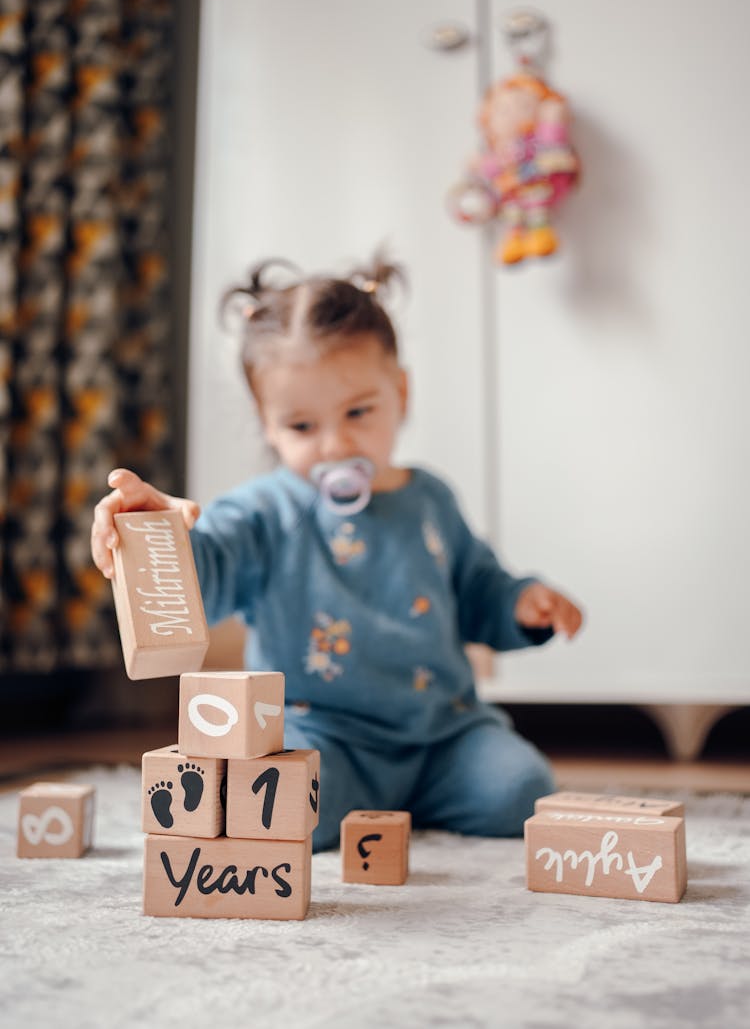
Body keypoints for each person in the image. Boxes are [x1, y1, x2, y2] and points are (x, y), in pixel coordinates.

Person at [91, 253, 583, 851]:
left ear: (399, 393)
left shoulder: (430, 499)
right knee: (290, 812)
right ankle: (354, 805)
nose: (335, 444)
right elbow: (206, 573)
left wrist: (520, 602)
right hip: (322, 733)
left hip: (443, 735)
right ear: (267, 425)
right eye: (301, 426)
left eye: (358, 412)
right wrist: (158, 540)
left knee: (521, 790)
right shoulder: (260, 511)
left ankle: (412, 800)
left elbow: (478, 588)